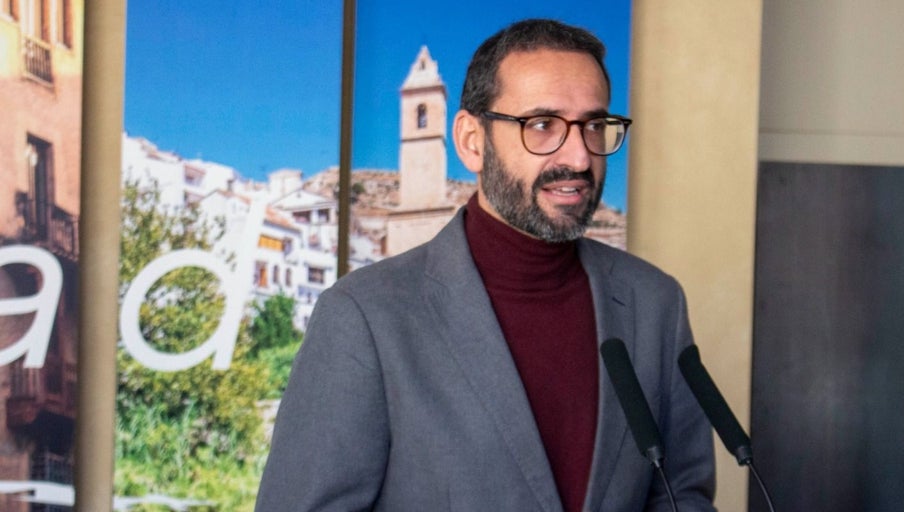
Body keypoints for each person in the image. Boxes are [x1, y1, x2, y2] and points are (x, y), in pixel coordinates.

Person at [255, 18, 716, 512]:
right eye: (543, 125)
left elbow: (682, 496)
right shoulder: (362, 316)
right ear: (472, 141)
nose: (580, 157)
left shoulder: (656, 303)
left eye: (594, 126)